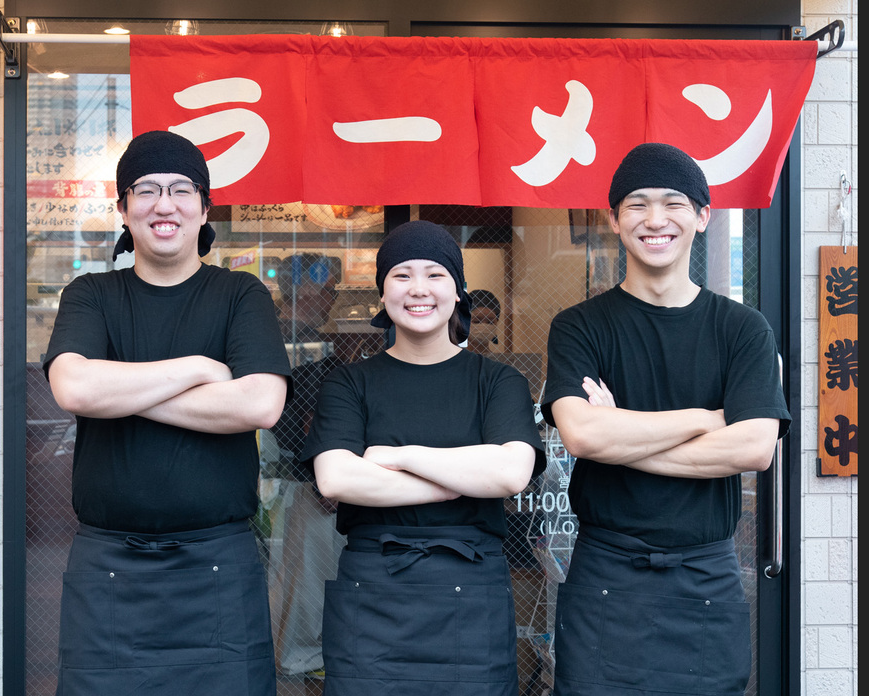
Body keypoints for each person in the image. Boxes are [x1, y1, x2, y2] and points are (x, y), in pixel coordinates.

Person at [44, 130, 291, 695]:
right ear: (123, 208)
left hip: (218, 566)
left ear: (204, 208)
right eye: (146, 189)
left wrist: (122, 392)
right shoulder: (90, 294)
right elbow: (75, 389)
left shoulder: (240, 294)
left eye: (182, 189)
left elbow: (260, 402)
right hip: (109, 568)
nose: (164, 204)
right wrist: (201, 368)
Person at [540, 143, 791, 696]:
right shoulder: (579, 327)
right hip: (606, 574)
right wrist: (707, 418)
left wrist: (622, 435)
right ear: (614, 219)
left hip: (705, 579)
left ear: (703, 217)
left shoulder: (743, 329)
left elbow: (753, 448)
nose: (655, 219)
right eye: (637, 204)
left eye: (674, 203)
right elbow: (583, 435)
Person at [299, 220, 545, 695]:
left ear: (458, 291)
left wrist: (401, 456)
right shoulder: (348, 383)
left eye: (435, 274)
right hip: (373, 592)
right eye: (402, 275)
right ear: (383, 292)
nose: (418, 289)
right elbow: (336, 479)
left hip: (471, 593)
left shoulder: (498, 382)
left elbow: (510, 472)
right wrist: (458, 480)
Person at [267, 253, 348, 679]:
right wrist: (320, 475)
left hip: (303, 477)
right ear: (300, 288)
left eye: (332, 290)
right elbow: (296, 418)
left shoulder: (316, 342)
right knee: (304, 577)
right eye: (326, 289)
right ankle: (300, 657)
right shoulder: (284, 341)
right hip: (299, 479)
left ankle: (303, 655)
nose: (331, 298)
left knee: (299, 575)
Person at [466, 289, 502, 354]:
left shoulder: (498, 359)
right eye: (476, 321)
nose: (484, 326)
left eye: (490, 322)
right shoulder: (452, 358)